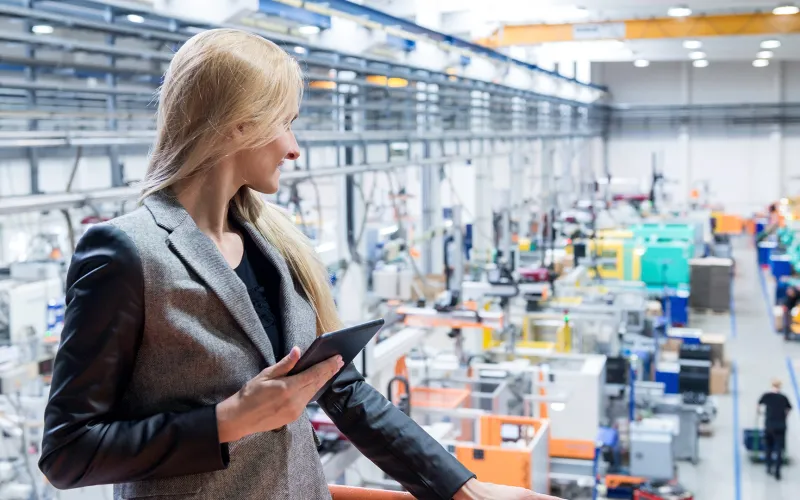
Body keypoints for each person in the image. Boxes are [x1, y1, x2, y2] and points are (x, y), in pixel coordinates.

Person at [38, 29, 561, 500]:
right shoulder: (126, 253)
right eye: (285, 123)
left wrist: (463, 489)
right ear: (239, 125)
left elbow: (341, 388)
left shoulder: (272, 245)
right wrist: (226, 421)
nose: (295, 148)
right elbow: (67, 453)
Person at [758, 378, 793, 480]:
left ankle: (768, 467)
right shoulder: (783, 397)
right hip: (781, 426)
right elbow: (789, 409)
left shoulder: (766, 396)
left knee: (768, 446)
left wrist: (761, 413)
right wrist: (784, 416)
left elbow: (758, 406)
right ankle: (778, 472)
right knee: (779, 449)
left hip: (769, 425)